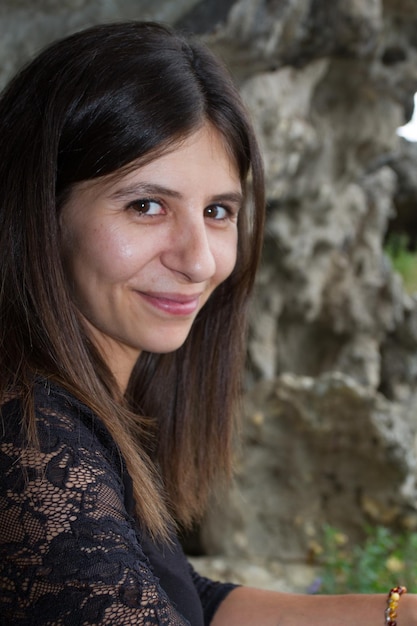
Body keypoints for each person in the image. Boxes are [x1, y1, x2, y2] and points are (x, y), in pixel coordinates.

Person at [0, 20, 414, 626]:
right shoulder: (33, 448)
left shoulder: (77, 408)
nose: (199, 260)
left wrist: (395, 612)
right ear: (42, 211)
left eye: (218, 211)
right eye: (146, 206)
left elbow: (185, 597)